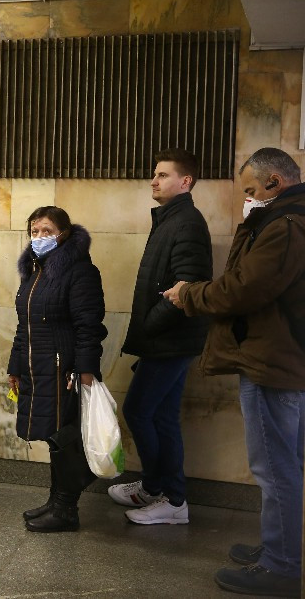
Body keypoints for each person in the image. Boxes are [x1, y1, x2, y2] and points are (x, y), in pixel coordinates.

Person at [164, 147, 305, 597]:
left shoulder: (285, 226)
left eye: (250, 191)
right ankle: (282, 548)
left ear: (274, 183)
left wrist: (189, 294)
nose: (246, 200)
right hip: (284, 358)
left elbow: (243, 289)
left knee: (275, 468)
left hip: (270, 362)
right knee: (288, 464)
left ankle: (282, 565)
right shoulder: (287, 219)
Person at [109, 149, 212, 525]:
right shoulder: (171, 219)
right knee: (163, 416)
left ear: (185, 182)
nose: (154, 181)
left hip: (170, 340)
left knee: (138, 410)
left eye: (163, 175)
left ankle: (163, 492)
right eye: (154, 174)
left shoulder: (186, 223)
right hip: (168, 340)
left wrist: (149, 325)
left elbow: (187, 287)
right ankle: (166, 494)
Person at [8, 206, 108, 533]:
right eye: (34, 232)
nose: (39, 237)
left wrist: (85, 371)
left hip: (64, 369)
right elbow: (24, 326)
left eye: (47, 231)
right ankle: (56, 501)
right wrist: (15, 366)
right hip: (37, 367)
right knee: (55, 436)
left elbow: (89, 326)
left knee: (66, 436)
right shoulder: (34, 271)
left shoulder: (80, 271)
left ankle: (66, 508)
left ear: (63, 234)